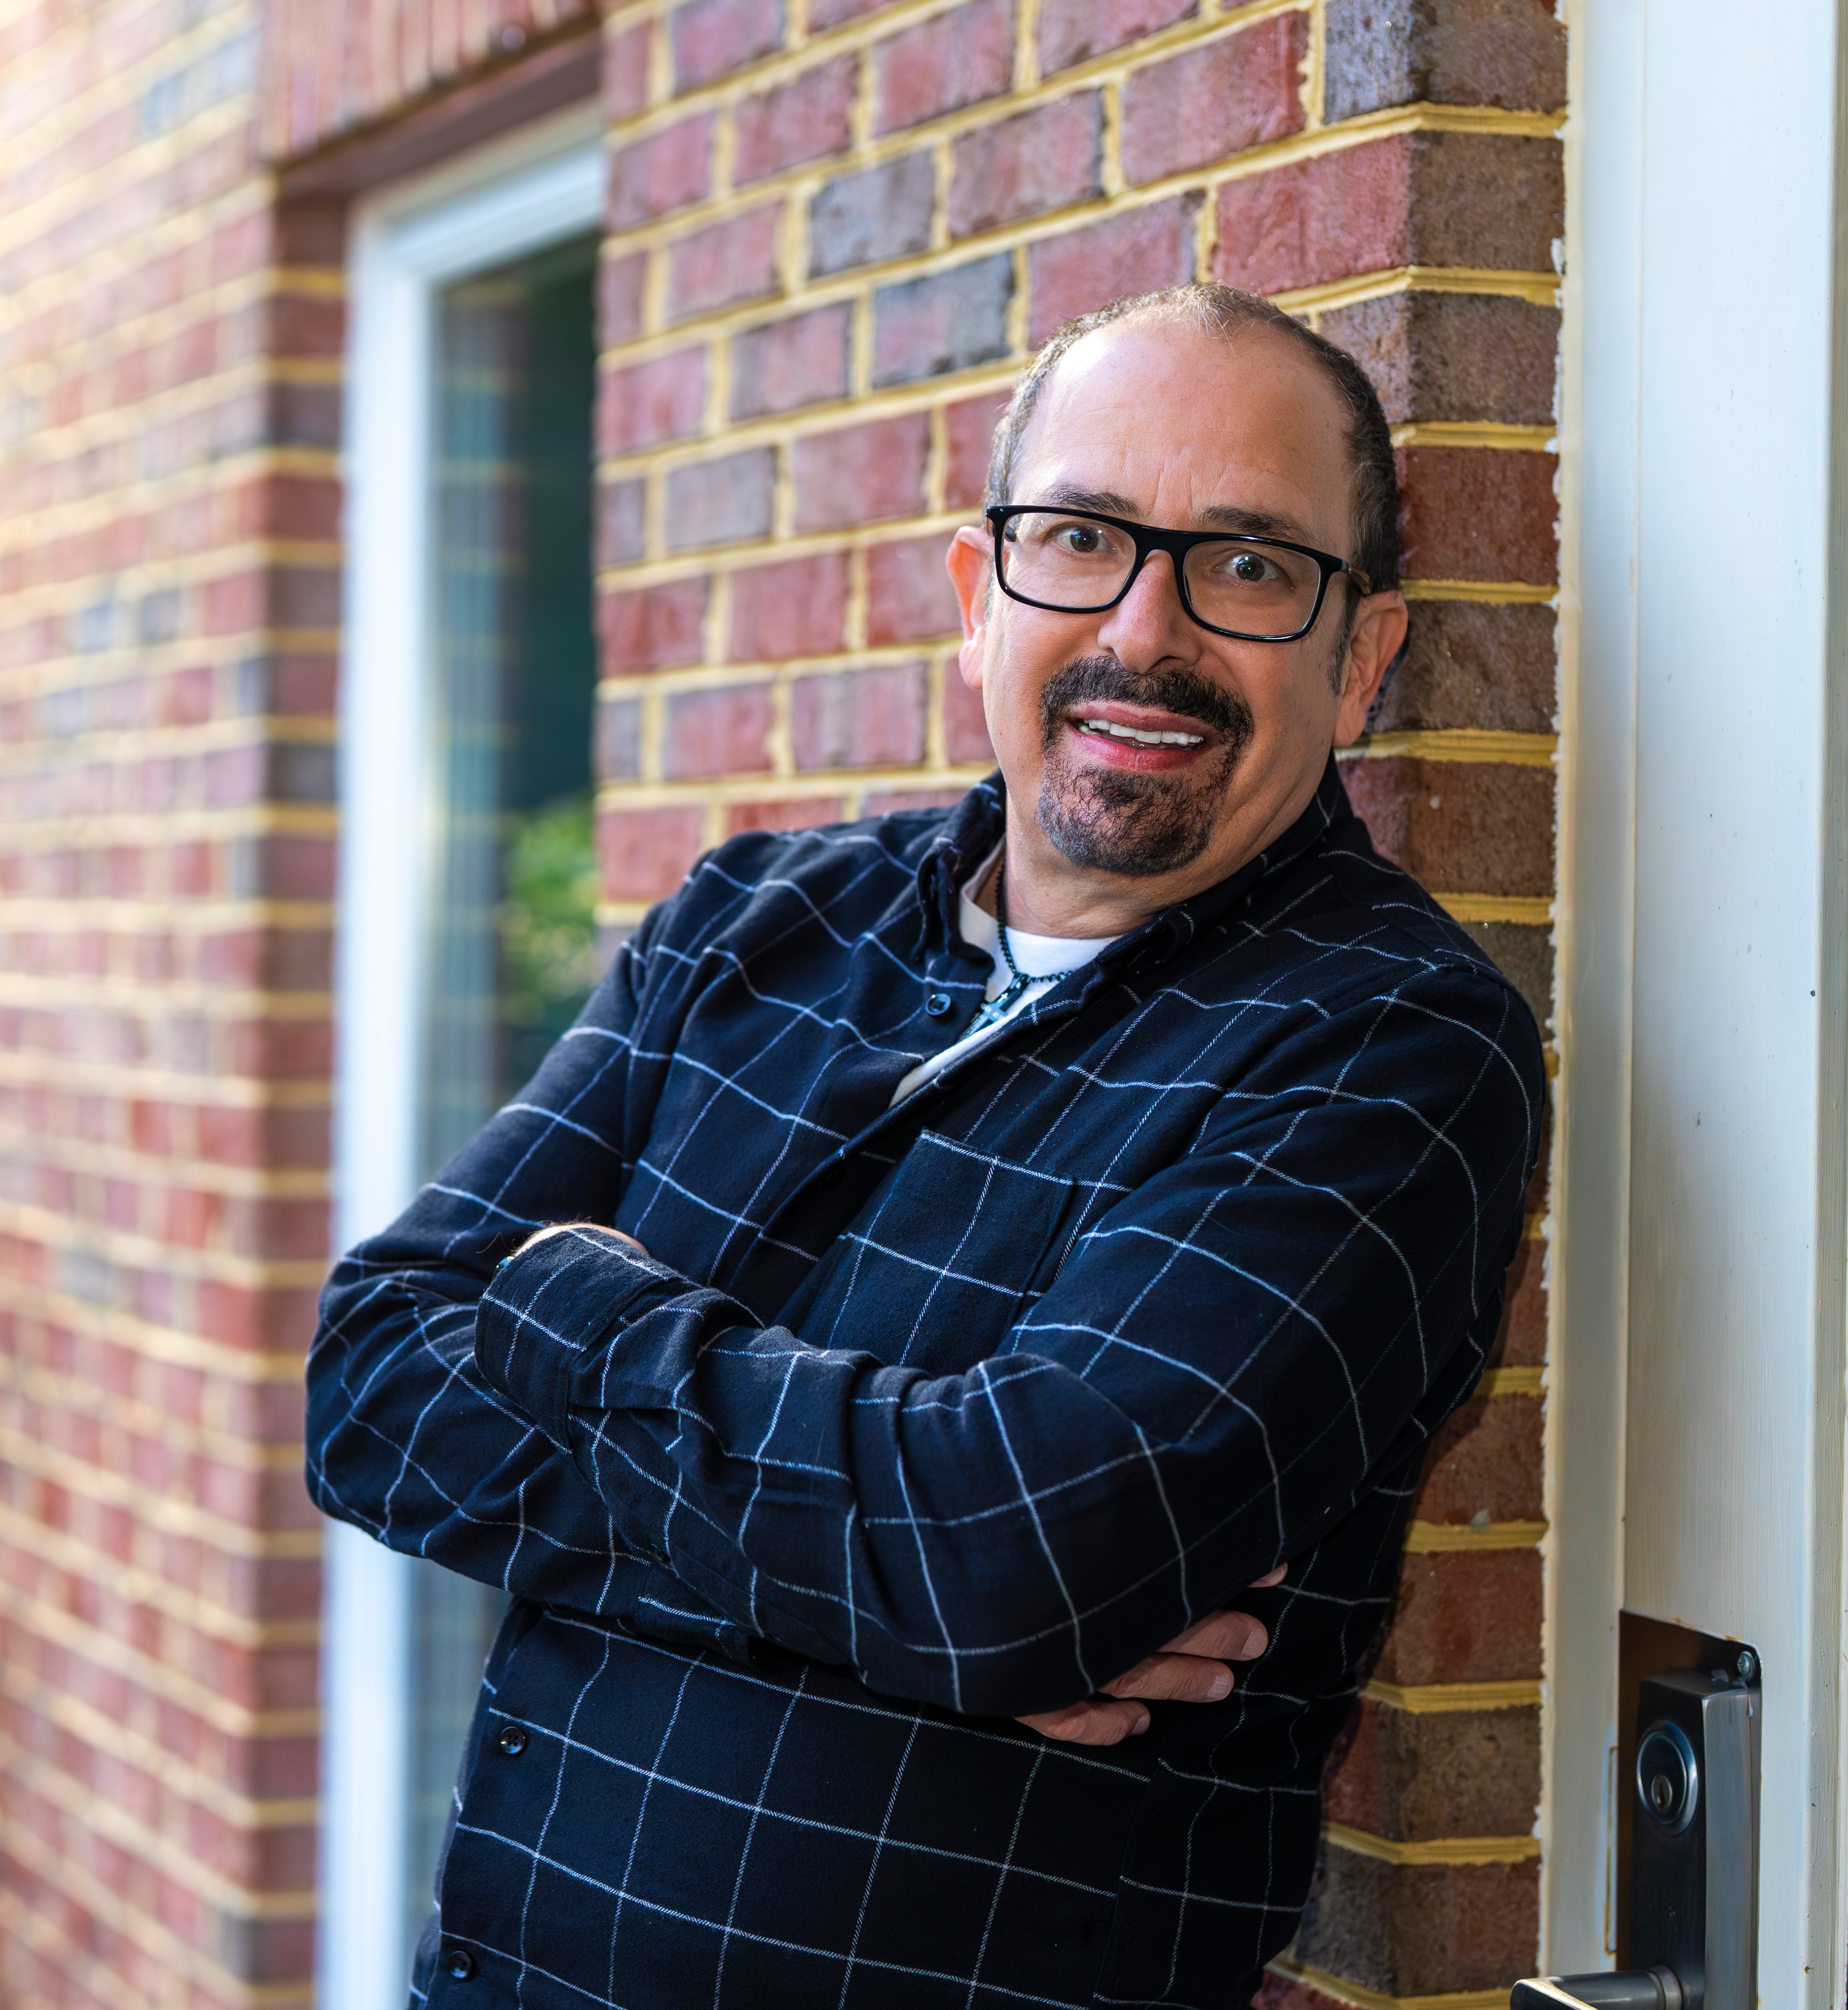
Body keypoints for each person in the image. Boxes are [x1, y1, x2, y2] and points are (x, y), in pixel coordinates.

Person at [308, 281, 1545, 2009]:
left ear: (1363, 657)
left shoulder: (1387, 1047)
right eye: (1082, 537)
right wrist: (872, 1611)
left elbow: (1012, 1558)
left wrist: (574, 1313)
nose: (1147, 627)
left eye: (1250, 566)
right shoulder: (753, 924)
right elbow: (369, 1387)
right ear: (982, 597)